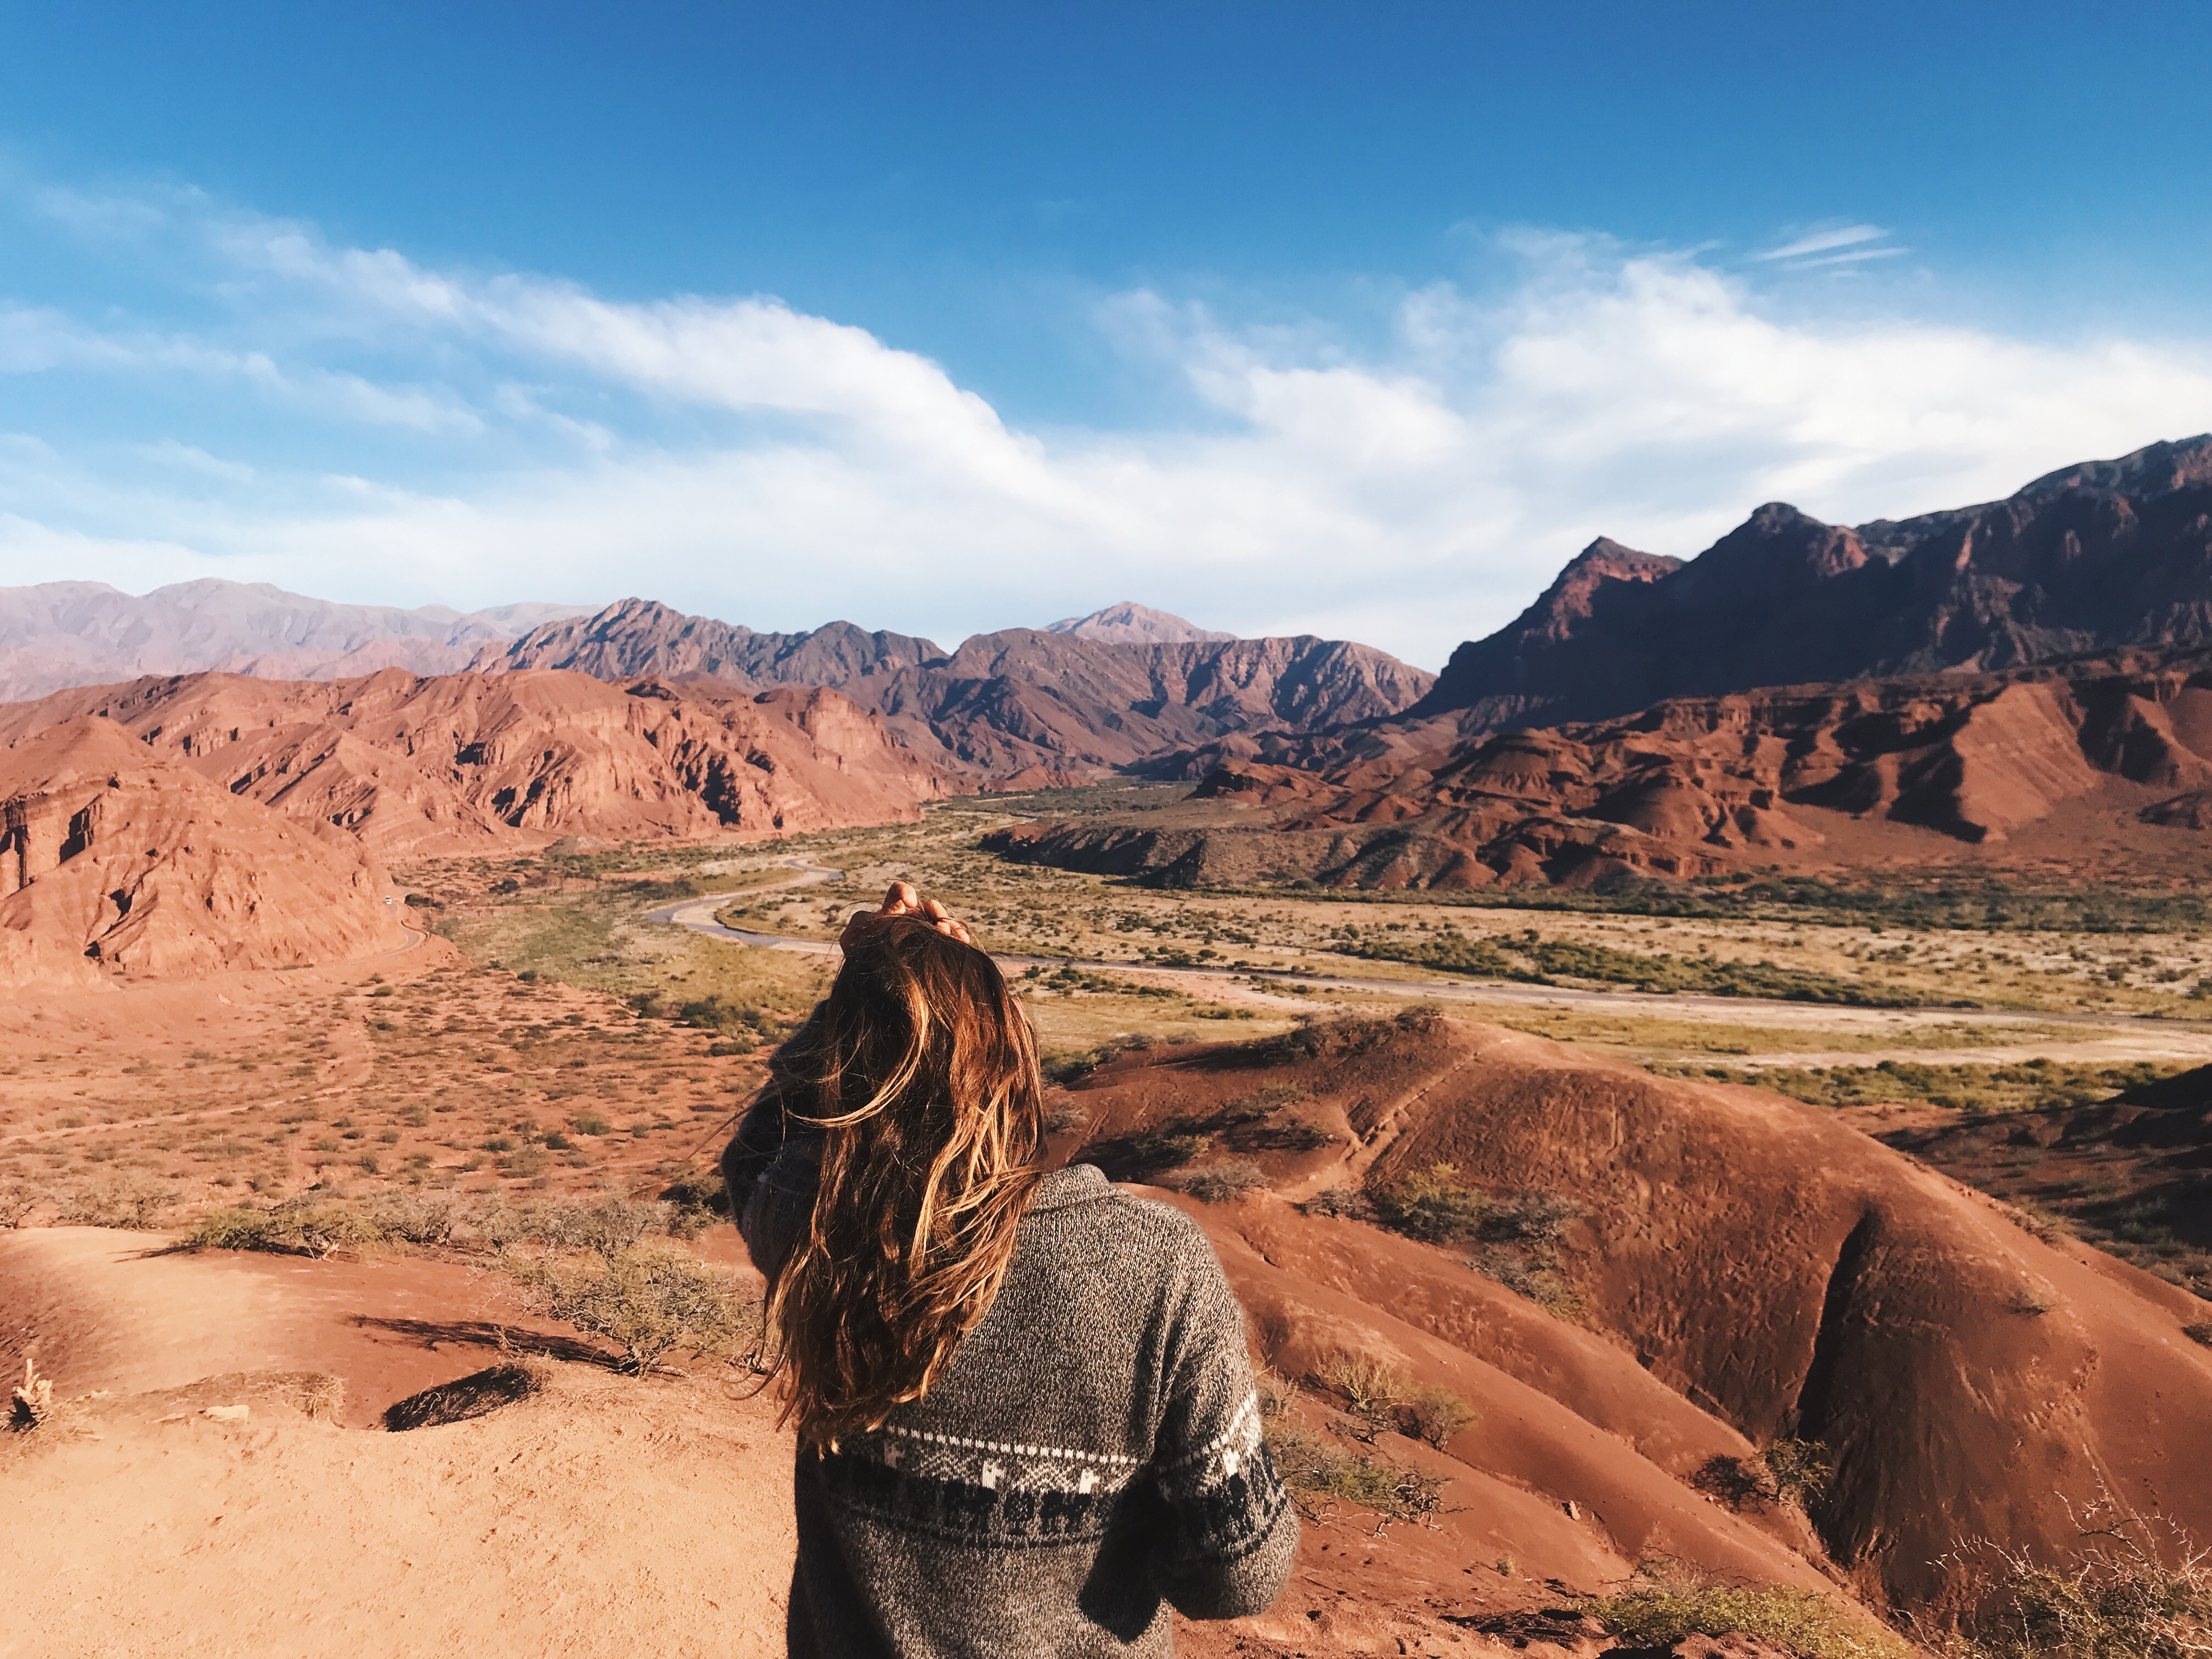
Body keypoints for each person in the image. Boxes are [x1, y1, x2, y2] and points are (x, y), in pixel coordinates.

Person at [723, 882, 1296, 1657]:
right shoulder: (1157, 1270)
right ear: (1016, 1063)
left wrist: (865, 986)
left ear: (842, 1078)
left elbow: (758, 1148)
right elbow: (1239, 1577)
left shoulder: (817, 1229)